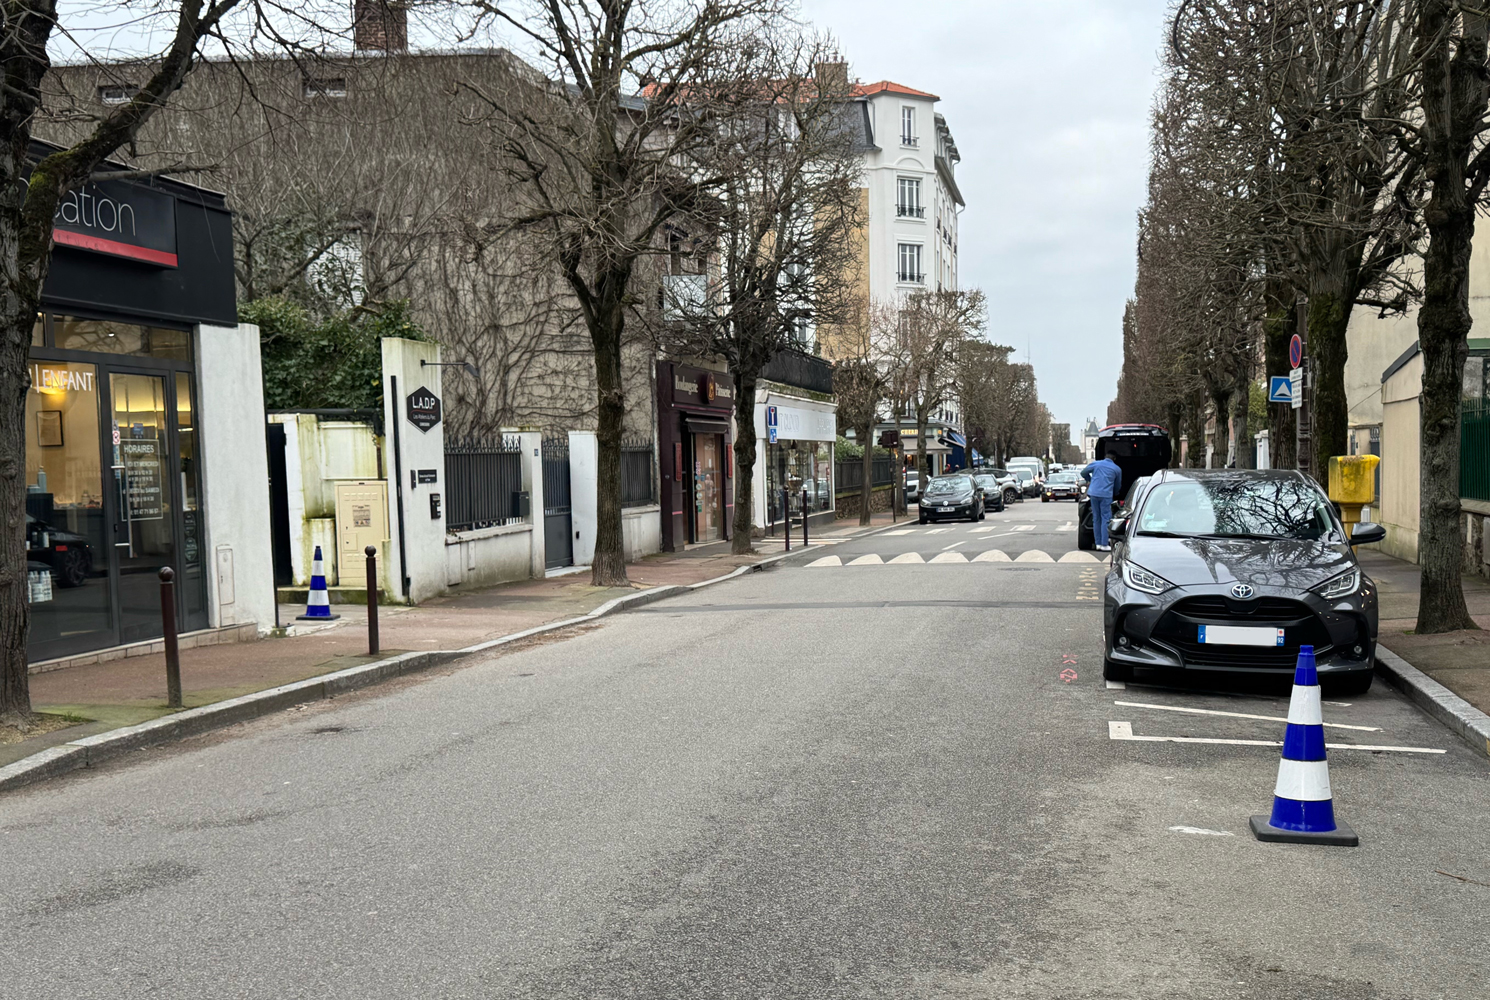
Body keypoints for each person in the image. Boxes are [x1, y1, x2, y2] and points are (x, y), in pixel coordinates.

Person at [1080, 452, 1122, 551]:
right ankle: (1104, 544)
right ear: (1114, 459)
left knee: (1096, 518)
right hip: (1106, 495)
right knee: (1105, 518)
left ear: (1105, 457)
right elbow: (1117, 485)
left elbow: (1083, 472)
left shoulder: (1096, 464)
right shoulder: (1117, 469)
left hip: (1093, 493)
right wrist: (1115, 493)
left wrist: (1089, 480)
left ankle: (1097, 543)